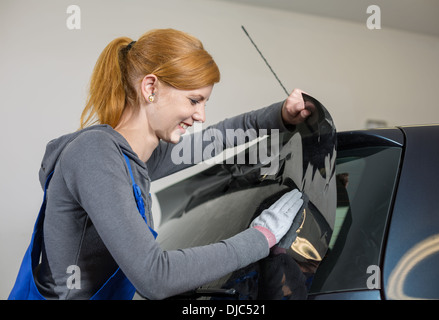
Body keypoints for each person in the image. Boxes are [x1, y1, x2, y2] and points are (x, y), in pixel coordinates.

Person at [9, 28, 311, 300]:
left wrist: (281, 116)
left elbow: (216, 139)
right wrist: (261, 238)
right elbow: (156, 277)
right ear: (150, 88)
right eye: (194, 101)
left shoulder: (136, 160)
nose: (201, 116)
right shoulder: (95, 155)